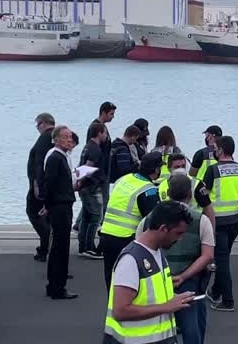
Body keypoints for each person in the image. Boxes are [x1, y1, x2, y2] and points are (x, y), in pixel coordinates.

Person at [136, 175, 214, 344]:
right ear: (191, 195)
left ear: (168, 193)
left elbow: (140, 251)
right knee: (192, 326)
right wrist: (184, 276)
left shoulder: (149, 219)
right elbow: (208, 256)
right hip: (189, 281)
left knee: (156, 326)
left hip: (157, 280)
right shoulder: (201, 220)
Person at [104, 201, 196, 344]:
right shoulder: (130, 260)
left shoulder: (157, 253)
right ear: (163, 229)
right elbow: (120, 311)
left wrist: (176, 299)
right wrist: (167, 307)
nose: (180, 239)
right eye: (178, 233)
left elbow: (150, 295)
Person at [202, 135, 238, 312]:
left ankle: (228, 300)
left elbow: (202, 194)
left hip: (217, 222)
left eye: (216, 148)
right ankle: (216, 291)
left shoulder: (213, 171)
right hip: (236, 220)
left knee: (222, 260)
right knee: (223, 256)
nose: (214, 151)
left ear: (221, 150)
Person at [100, 152, 163, 291]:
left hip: (106, 234)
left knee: (111, 279)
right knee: (128, 281)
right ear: (157, 169)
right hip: (126, 238)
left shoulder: (125, 179)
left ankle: (113, 309)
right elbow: (154, 220)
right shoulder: (148, 190)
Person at [41, 125, 79, 300]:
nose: (69, 140)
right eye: (65, 137)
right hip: (59, 206)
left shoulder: (62, 157)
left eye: (70, 137)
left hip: (62, 204)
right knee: (60, 247)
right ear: (56, 139)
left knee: (58, 246)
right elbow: (49, 183)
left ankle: (54, 284)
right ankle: (58, 286)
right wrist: (47, 205)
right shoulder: (55, 157)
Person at [159, 153, 216, 229]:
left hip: (193, 225)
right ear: (169, 168)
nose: (181, 169)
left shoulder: (196, 184)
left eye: (183, 166)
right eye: (177, 167)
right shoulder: (162, 186)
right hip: (171, 228)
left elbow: (208, 208)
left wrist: (211, 231)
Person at [77, 122, 108, 259]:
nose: (106, 136)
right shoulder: (96, 149)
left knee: (86, 216)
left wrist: (77, 181)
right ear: (100, 133)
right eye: (105, 133)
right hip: (91, 187)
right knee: (95, 217)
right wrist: (80, 182)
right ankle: (89, 246)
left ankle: (82, 245)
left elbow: (81, 166)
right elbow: (88, 168)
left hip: (85, 187)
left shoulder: (87, 146)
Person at [26, 112, 55, 262]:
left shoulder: (45, 137)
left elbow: (39, 161)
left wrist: (37, 183)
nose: (37, 128)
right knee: (45, 215)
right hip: (46, 184)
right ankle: (45, 246)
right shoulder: (54, 137)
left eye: (38, 125)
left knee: (33, 212)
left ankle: (46, 244)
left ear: (43, 123)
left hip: (38, 184)